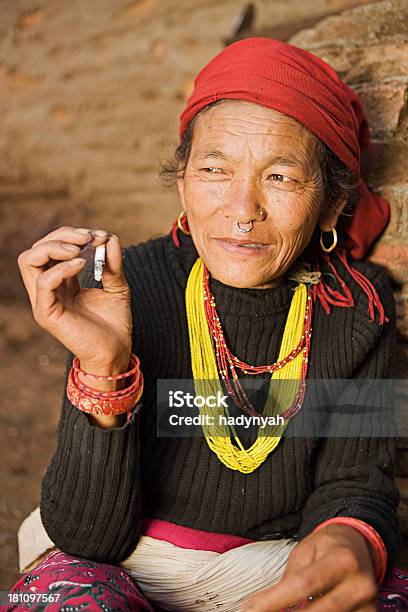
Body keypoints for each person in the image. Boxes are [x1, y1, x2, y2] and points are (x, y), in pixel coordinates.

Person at [9, 37, 408, 612]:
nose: (242, 209)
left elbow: (356, 485)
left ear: (329, 205)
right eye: (215, 169)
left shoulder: (357, 309)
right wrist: (105, 370)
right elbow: (89, 538)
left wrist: (342, 543)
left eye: (281, 177)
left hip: (273, 567)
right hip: (123, 563)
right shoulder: (128, 290)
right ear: (183, 183)